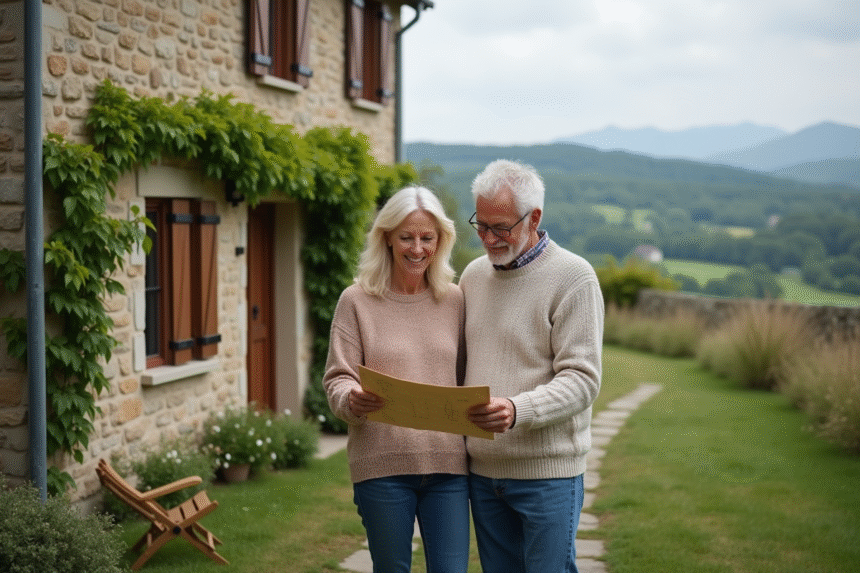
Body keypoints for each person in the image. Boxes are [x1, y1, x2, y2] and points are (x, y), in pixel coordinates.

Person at [461, 160, 604, 573]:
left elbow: (582, 380)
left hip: (549, 475)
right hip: (484, 474)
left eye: (500, 227)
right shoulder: (472, 277)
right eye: (481, 225)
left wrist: (517, 409)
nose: (488, 238)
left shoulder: (574, 277)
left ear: (534, 218)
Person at [323, 186, 469, 573]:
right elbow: (338, 377)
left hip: (448, 469)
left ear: (441, 241)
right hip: (382, 467)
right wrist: (351, 398)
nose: (417, 248)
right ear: (386, 237)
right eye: (406, 237)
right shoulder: (356, 300)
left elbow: (467, 378)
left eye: (427, 238)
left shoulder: (454, 300)